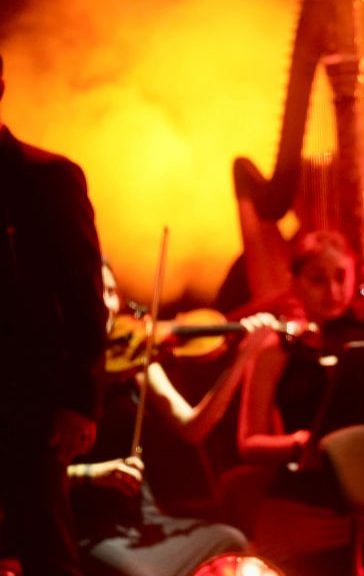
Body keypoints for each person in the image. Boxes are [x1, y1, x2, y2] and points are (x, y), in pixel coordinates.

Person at [65, 261, 255, 576]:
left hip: (143, 520)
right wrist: (96, 474)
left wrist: (242, 360)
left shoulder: (135, 356)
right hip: (88, 526)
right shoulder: (52, 371)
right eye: (96, 292)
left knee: (230, 539)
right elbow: (33, 473)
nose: (107, 302)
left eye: (112, 292)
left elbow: (193, 429)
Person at [0, 52, 108, 575]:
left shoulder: (47, 179)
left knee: (46, 549)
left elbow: (86, 298)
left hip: (27, 400)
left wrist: (79, 401)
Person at [226, 229, 364, 532]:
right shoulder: (276, 350)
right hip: (308, 486)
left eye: (341, 277)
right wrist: (297, 443)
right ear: (296, 283)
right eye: (318, 280)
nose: (333, 291)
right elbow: (249, 443)